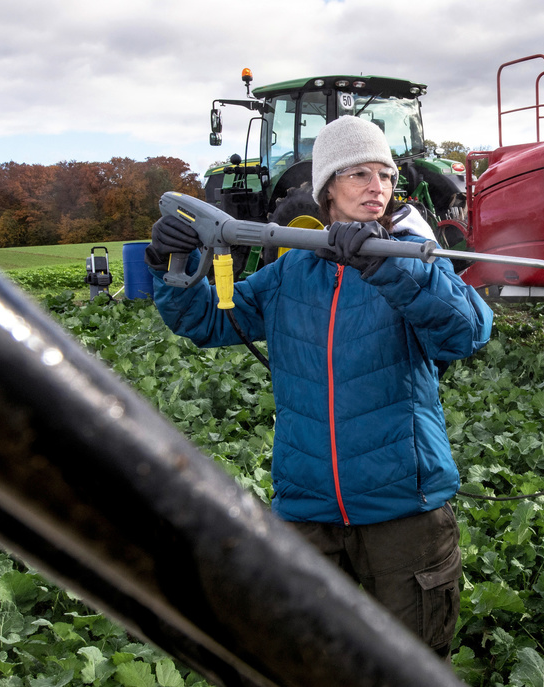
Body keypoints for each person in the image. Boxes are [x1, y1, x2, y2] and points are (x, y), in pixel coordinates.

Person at [145, 115, 492, 656]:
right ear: (328, 187)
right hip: (307, 507)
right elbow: (209, 321)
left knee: (410, 665)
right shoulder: (290, 274)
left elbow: (466, 331)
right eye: (358, 173)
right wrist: (173, 259)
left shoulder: (412, 259)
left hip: (404, 508)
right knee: (301, 660)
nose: (376, 186)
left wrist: (386, 265)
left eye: (384, 173)